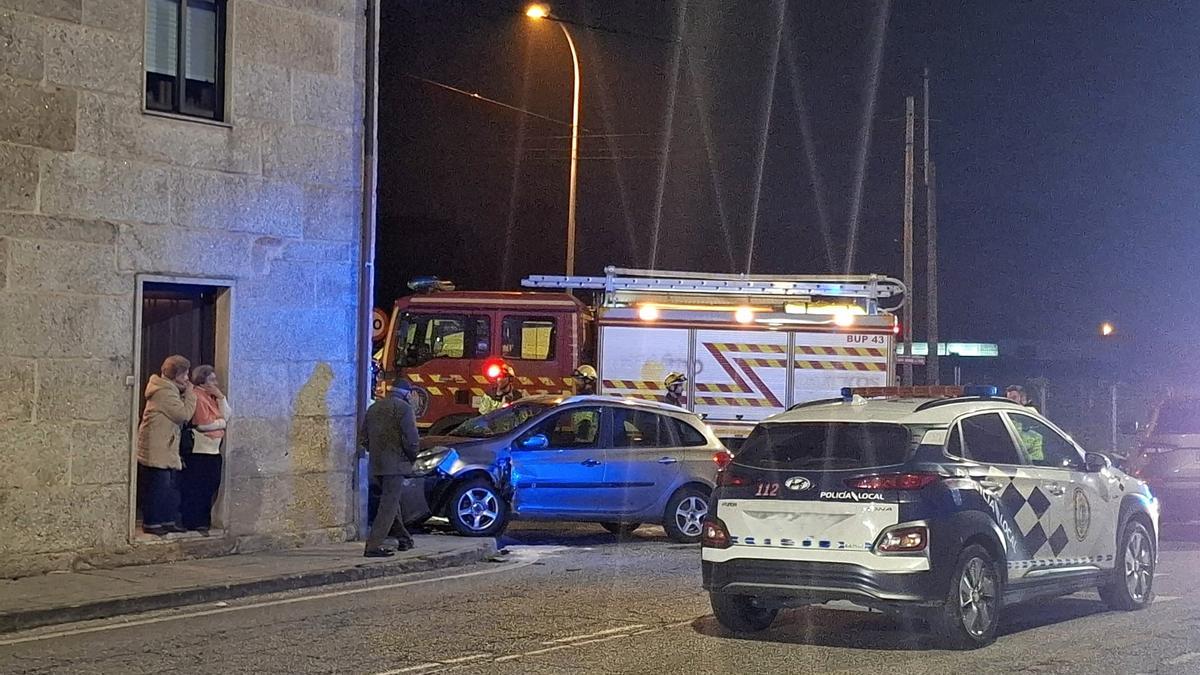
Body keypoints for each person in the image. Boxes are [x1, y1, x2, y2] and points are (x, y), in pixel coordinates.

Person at [137, 355, 197, 536]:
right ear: (176, 374)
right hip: (158, 446)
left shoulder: (169, 389)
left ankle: (167, 519)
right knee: (159, 486)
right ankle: (153, 522)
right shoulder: (164, 392)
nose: (187, 379)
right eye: (185, 374)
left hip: (165, 445)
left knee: (169, 486)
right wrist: (191, 394)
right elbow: (183, 415)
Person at [361, 379, 421, 557]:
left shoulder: (374, 408)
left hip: (377, 464)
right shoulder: (403, 409)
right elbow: (411, 440)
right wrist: (411, 458)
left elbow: (363, 438)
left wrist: (376, 453)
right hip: (396, 465)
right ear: (408, 394)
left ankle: (404, 539)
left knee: (391, 504)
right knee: (388, 506)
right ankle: (373, 545)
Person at [180, 365, 231, 535]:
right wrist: (220, 423)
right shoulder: (197, 396)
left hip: (213, 449)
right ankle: (195, 521)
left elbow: (227, 415)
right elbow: (202, 424)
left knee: (211, 485)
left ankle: (203, 520)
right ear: (202, 381)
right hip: (201, 448)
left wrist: (221, 397)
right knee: (198, 487)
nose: (216, 383)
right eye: (212, 380)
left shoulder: (211, 397)